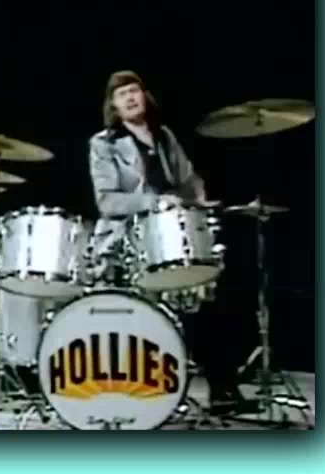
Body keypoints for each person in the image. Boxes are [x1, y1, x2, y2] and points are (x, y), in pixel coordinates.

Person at [88, 70, 256, 415]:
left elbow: (189, 180)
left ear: (145, 96)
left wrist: (200, 200)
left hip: (172, 233)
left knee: (207, 292)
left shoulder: (164, 136)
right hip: (126, 238)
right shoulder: (104, 143)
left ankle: (222, 388)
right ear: (113, 106)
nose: (130, 98)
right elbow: (107, 201)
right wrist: (156, 202)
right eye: (122, 94)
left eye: (134, 91)